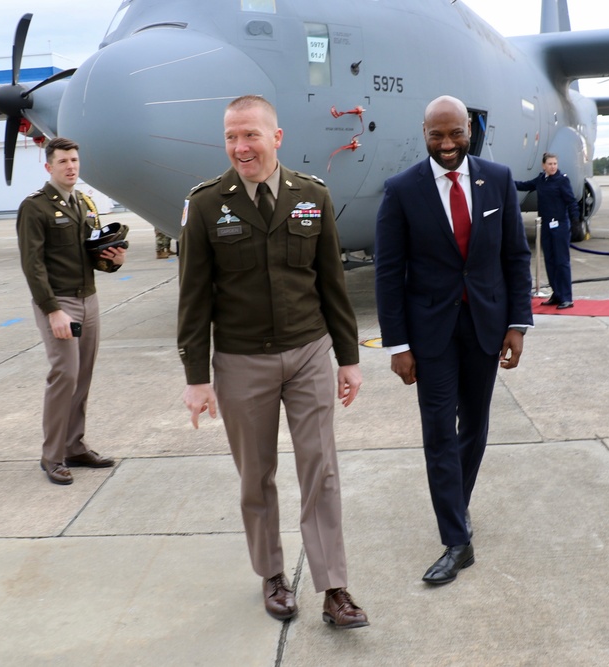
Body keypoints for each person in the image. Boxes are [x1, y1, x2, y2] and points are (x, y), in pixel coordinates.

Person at [178, 95, 368, 629]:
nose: (241, 147)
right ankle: (272, 575)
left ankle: (335, 588)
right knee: (256, 476)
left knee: (320, 471)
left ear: (276, 137)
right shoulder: (207, 203)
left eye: (251, 135)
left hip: (309, 353)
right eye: (232, 137)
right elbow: (193, 297)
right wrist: (197, 378)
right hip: (240, 361)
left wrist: (348, 359)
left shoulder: (313, 196)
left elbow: (332, 282)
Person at [374, 95, 533, 585]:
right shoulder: (402, 190)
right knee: (439, 431)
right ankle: (456, 540)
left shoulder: (498, 179)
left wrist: (517, 323)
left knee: (476, 426)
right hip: (431, 334)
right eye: (436, 135)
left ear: (470, 129)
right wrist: (397, 345)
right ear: (423, 133)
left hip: (485, 325)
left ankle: (454, 507)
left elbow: (515, 258)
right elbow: (388, 272)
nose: (447, 145)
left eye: (455, 134)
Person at [17, 137, 126, 485]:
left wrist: (114, 261)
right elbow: (32, 266)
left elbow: (90, 254)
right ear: (49, 167)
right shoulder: (35, 207)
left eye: (75, 160)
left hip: (87, 298)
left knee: (82, 375)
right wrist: (52, 311)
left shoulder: (84, 203)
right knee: (64, 374)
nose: (70, 166)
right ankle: (52, 456)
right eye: (63, 161)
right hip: (59, 302)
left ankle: (74, 446)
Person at [515, 153, 580, 309]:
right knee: (550, 261)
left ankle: (566, 297)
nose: (553, 167)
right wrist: (503, 180)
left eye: (555, 163)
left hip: (560, 226)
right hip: (546, 226)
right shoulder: (541, 180)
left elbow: (571, 202)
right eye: (550, 164)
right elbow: (524, 185)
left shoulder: (562, 180)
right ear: (543, 165)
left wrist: (575, 222)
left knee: (561, 262)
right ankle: (557, 294)